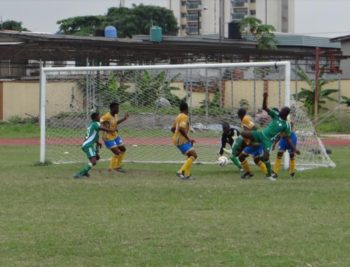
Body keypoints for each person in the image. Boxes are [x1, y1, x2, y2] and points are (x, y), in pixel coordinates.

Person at [240, 93, 300, 181]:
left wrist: (294, 148)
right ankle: (254, 144)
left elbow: (287, 138)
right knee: (243, 133)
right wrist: (265, 97)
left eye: (282, 110)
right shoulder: (276, 115)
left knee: (265, 157)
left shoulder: (286, 125)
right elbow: (264, 107)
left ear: (285, 113)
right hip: (261, 134)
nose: (280, 110)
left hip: (268, 141)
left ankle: (269, 175)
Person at [74, 112, 112, 178]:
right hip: (88, 145)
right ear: (95, 118)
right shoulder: (96, 123)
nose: (99, 117)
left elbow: (93, 134)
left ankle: (85, 172)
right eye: (98, 116)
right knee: (93, 161)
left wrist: (97, 142)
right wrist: (111, 130)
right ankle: (79, 174)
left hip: (86, 144)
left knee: (97, 157)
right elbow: (101, 128)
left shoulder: (92, 124)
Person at [236, 108, 268, 179]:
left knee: (241, 157)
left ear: (239, 115)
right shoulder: (245, 119)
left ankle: (249, 173)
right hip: (255, 141)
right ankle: (267, 174)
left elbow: (255, 128)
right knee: (256, 160)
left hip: (254, 142)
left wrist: (252, 139)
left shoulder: (245, 119)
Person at [171, 101, 198, 179]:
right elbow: (181, 129)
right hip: (181, 140)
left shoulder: (178, 116)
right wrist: (188, 139)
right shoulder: (184, 116)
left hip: (178, 139)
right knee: (194, 155)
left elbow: (173, 128)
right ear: (186, 109)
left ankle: (187, 175)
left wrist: (176, 136)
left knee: (190, 155)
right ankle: (180, 171)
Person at [100, 101, 129, 173]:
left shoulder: (115, 115)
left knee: (123, 149)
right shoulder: (106, 116)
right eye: (117, 108)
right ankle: (111, 168)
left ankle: (117, 167)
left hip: (115, 135)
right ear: (112, 108)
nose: (118, 110)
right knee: (117, 153)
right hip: (107, 137)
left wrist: (124, 118)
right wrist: (107, 128)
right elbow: (98, 123)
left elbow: (115, 123)